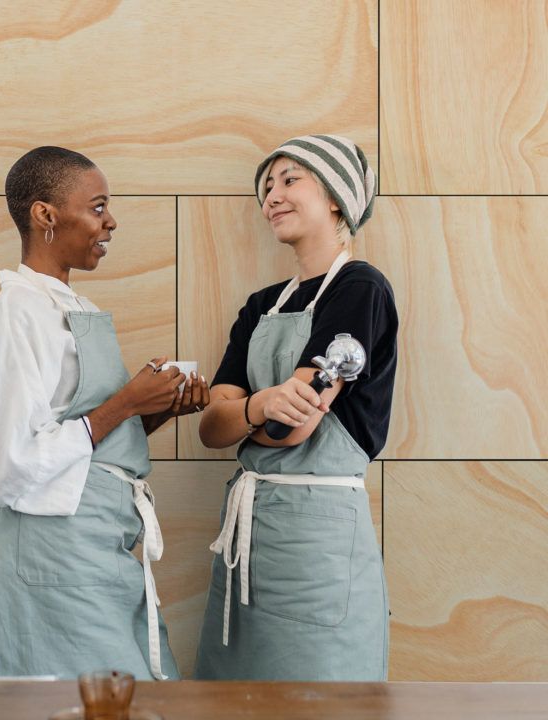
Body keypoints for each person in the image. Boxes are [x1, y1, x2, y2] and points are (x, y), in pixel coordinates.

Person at [0, 146, 210, 680]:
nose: (111, 222)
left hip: (96, 545)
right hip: (50, 553)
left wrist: (154, 411)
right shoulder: (19, 308)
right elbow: (13, 463)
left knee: (131, 693)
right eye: (98, 207)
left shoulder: (70, 305)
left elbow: (89, 436)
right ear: (45, 215)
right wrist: (127, 402)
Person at [194, 135, 398, 681]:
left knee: (319, 695)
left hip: (316, 539)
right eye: (266, 188)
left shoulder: (360, 289)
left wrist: (250, 412)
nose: (272, 198)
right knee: (235, 699)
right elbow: (211, 429)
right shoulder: (262, 305)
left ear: (336, 197)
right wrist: (262, 404)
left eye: (289, 180)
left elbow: (292, 428)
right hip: (250, 533)